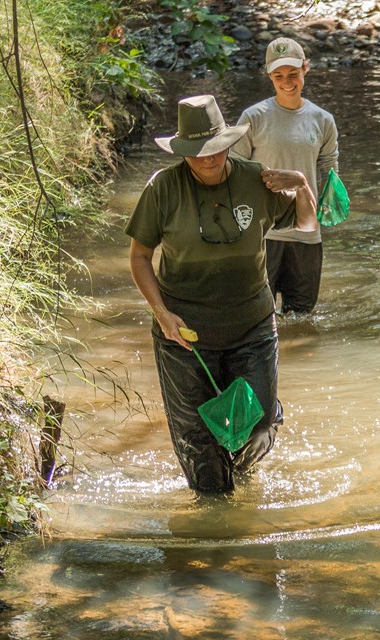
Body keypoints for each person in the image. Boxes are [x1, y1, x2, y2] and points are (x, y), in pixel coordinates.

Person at [124, 95, 317, 493]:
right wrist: (161, 313)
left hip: (251, 327)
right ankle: (216, 530)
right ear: (182, 152)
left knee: (257, 426)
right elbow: (140, 256)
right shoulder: (162, 189)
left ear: (228, 143)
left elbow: (306, 221)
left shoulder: (255, 178)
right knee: (202, 453)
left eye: (215, 149)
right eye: (198, 153)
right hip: (184, 335)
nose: (209, 159)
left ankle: (250, 462)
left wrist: (300, 183)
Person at [232, 36, 339, 314]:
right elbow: (234, 170)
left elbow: (330, 173)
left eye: (293, 73)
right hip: (262, 233)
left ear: (306, 68)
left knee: (301, 317)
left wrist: (329, 211)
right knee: (258, 314)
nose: (287, 81)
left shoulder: (323, 119)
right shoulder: (253, 117)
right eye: (278, 75)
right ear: (269, 76)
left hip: (306, 233)